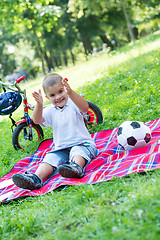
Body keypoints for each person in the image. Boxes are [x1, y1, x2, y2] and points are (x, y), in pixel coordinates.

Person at [12, 73, 98, 190]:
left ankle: (76, 167)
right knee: (50, 158)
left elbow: (85, 107)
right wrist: (39, 105)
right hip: (61, 149)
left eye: (61, 92)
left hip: (82, 143)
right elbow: (37, 120)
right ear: (47, 97)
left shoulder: (73, 104)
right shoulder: (50, 110)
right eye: (52, 95)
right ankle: (35, 178)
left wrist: (71, 92)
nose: (57, 97)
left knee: (78, 151)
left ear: (66, 89)